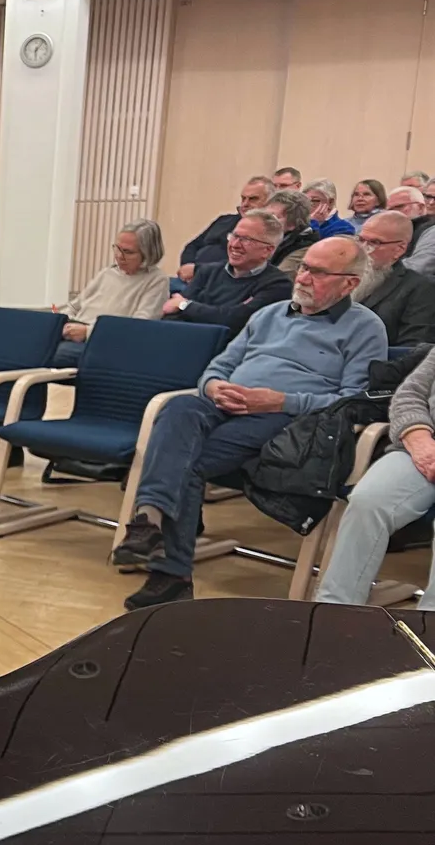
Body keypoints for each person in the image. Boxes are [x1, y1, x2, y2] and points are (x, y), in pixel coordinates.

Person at [114, 235, 385, 609]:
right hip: (225, 401)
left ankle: (168, 567)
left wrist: (280, 401)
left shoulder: (365, 328)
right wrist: (213, 386)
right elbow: (220, 365)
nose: (303, 277)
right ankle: (150, 524)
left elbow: (354, 401)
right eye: (304, 267)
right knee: (178, 409)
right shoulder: (270, 314)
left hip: (281, 418)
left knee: (188, 462)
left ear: (349, 283)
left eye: (318, 273)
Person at [315, 344, 435, 607]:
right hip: (423, 446)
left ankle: (430, 620)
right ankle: (334, 609)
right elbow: (409, 394)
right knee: (367, 501)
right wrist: (418, 437)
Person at [52, 220, 170, 367]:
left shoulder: (157, 280)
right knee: (29, 341)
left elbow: (138, 327)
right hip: (74, 332)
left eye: (128, 252)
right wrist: (59, 321)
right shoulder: (108, 273)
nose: (119, 256)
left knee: (47, 353)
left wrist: (87, 332)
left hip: (103, 343)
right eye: (117, 248)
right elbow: (75, 306)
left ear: (148, 253)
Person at [162, 210, 292, 336]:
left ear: (267, 250)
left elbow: (236, 320)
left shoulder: (278, 285)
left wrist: (185, 305)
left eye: (246, 239)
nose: (235, 244)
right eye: (234, 236)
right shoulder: (208, 272)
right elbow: (172, 313)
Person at [354, 212, 435, 346]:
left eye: (374, 242)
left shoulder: (421, 289)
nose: (363, 249)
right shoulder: (341, 275)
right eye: (360, 240)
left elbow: (412, 349)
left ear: (399, 249)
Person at [177, 175, 275, 283]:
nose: (245, 204)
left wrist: (197, 270)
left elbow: (241, 263)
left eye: (253, 199)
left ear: (270, 202)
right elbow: (192, 246)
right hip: (190, 279)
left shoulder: (267, 232)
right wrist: (186, 266)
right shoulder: (224, 220)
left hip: (219, 283)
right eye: (243, 198)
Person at [265, 189, 318, 275]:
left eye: (274, 217)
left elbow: (279, 277)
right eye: (266, 216)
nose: (266, 221)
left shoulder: (304, 247)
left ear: (293, 223)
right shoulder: (268, 238)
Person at [387, 187, 435, 274]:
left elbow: (418, 266)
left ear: (420, 207)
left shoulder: (430, 230)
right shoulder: (388, 230)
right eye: (390, 209)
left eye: (399, 207)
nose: (394, 212)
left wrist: (381, 271)